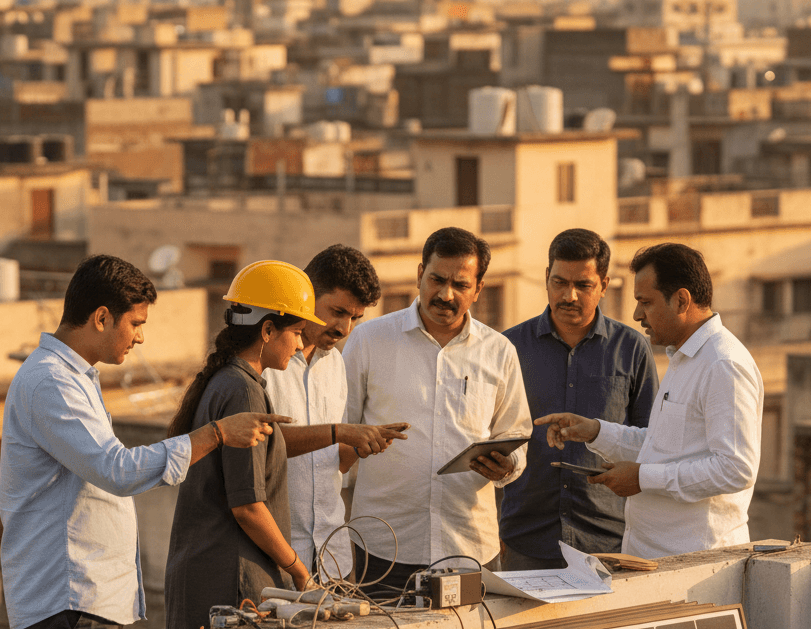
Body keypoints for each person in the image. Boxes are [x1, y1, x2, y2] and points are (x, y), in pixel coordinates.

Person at [0, 254, 289, 629]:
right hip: (66, 604)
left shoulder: (72, 377)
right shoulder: (52, 381)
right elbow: (116, 470)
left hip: (84, 604)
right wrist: (217, 433)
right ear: (102, 318)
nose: (139, 338)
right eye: (135, 324)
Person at [163, 261, 406, 629]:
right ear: (267, 330)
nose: (299, 340)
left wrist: (359, 442)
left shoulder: (243, 381)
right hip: (237, 570)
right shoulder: (243, 389)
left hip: (280, 560)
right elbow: (247, 504)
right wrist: (296, 568)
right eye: (296, 330)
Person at [536, 242, 763, 559]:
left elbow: (735, 469)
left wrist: (643, 478)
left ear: (681, 300)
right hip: (655, 556)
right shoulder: (684, 358)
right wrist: (594, 432)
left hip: (696, 561)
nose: (636, 314)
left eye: (645, 302)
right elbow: (662, 445)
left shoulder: (722, 364)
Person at [343, 226, 532, 597]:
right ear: (419, 275)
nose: (446, 294)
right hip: (383, 545)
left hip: (470, 546)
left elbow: (517, 437)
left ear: (478, 289)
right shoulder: (369, 340)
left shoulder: (500, 352)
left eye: (460, 285)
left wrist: (507, 466)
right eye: (437, 279)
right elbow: (339, 435)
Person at [499, 229, 659, 568]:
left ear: (604, 284)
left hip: (609, 539)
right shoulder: (507, 348)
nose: (569, 295)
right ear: (546, 278)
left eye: (583, 285)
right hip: (525, 539)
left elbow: (653, 442)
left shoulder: (632, 348)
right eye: (559, 282)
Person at [263, 244, 408, 581]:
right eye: (337, 311)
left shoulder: (336, 366)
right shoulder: (264, 361)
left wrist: (359, 446)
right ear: (307, 296)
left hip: (331, 555)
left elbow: (333, 465)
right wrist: (340, 431)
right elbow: (261, 446)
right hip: (277, 556)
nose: (345, 329)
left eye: (354, 318)